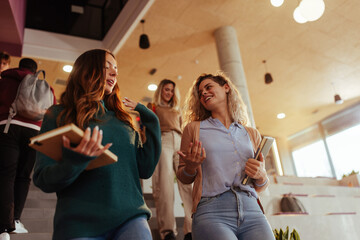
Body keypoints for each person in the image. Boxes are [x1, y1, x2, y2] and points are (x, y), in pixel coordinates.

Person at [32, 49, 161, 240]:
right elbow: (43, 178)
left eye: (116, 68)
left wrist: (152, 122)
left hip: (131, 216)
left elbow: (146, 168)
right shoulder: (58, 114)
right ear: (87, 70)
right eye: (107, 66)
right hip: (78, 223)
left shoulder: (123, 121)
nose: (115, 73)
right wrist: (74, 163)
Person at [176, 73, 274, 240]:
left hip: (253, 211)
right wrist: (191, 167)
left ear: (226, 87)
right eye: (200, 93)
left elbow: (262, 185)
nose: (204, 93)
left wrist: (261, 175)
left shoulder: (251, 133)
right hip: (211, 212)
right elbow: (183, 177)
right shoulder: (193, 129)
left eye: (208, 87)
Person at [0, 58, 56, 240]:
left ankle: (4, 226)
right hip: (35, 132)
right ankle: (16, 220)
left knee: (6, 175)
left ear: (19, 66)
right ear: (34, 70)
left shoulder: (7, 80)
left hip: (9, 126)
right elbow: (52, 111)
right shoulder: (46, 86)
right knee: (23, 177)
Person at [148, 79, 193, 240]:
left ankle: (190, 228)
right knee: (165, 185)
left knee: (187, 184)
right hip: (164, 140)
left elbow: (183, 129)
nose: (169, 93)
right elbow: (147, 129)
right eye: (166, 89)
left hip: (180, 142)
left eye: (172, 90)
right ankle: (167, 230)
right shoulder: (153, 107)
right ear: (160, 90)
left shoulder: (177, 110)